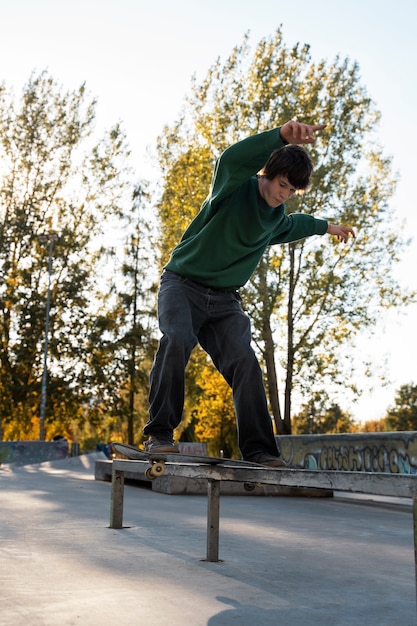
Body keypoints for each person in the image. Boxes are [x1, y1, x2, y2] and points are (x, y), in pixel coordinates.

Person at [143, 120, 355, 466]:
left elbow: (297, 224)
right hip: (182, 285)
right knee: (178, 339)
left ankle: (260, 450)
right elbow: (230, 159)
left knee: (245, 362)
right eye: (281, 185)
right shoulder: (233, 187)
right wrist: (281, 137)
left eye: (290, 192)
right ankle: (159, 434)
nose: (282, 196)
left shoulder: (277, 218)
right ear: (268, 174)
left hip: (225, 302)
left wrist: (328, 227)